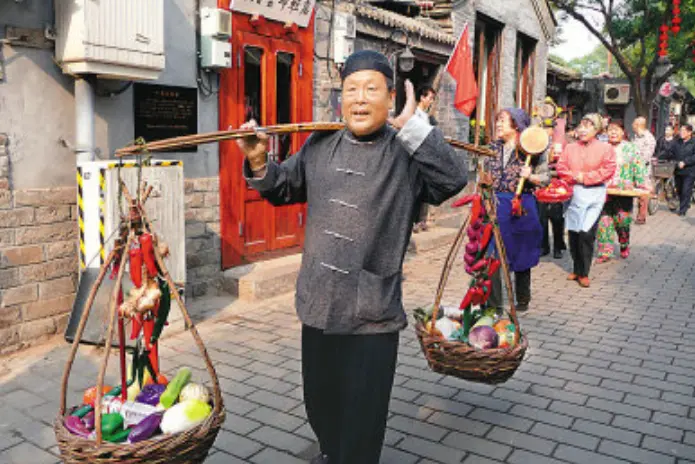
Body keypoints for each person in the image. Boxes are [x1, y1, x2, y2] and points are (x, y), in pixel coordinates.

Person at [237, 50, 467, 464]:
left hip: (371, 311)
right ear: (340, 98)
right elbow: (284, 186)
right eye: (351, 90)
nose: (360, 99)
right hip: (319, 301)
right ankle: (330, 450)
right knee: (320, 401)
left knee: (363, 418)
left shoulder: (406, 151)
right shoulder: (320, 143)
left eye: (371, 89)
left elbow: (453, 179)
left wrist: (414, 128)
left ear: (391, 96)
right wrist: (258, 160)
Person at [484, 108, 548, 312]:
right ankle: (494, 305)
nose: (499, 125)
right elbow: (484, 173)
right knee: (492, 254)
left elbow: (546, 178)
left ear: (517, 125)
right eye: (498, 120)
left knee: (522, 252)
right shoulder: (493, 147)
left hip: (521, 205)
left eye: (503, 121)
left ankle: (522, 297)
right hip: (495, 204)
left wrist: (532, 176)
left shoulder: (531, 148)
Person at [557, 113, 617, 288]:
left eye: (588, 126)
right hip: (574, 193)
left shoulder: (606, 149)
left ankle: (584, 272)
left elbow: (608, 169)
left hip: (594, 194)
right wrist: (575, 176)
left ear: (597, 129)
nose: (582, 130)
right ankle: (576, 267)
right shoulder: (570, 148)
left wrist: (587, 177)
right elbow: (561, 167)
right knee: (574, 232)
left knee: (587, 233)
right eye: (581, 126)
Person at [596, 121, 648, 263]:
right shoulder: (601, 148)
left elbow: (639, 167)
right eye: (610, 130)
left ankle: (624, 243)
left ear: (623, 132)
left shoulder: (631, 148)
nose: (613, 133)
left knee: (622, 220)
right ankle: (605, 252)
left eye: (616, 130)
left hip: (624, 191)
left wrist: (642, 184)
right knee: (604, 221)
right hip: (604, 190)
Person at [538, 117, 567, 259]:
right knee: (541, 217)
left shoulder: (561, 143)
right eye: (545, 127)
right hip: (540, 183)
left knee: (556, 217)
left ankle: (558, 246)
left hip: (556, 182)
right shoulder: (537, 143)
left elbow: (565, 164)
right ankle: (544, 246)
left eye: (550, 128)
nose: (547, 131)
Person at [413, 84, 438, 232]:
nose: (431, 101)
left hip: (426, 157)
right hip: (417, 157)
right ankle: (414, 221)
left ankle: (421, 220)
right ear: (422, 97)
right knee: (415, 189)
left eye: (433, 99)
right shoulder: (415, 114)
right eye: (430, 98)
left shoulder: (426, 116)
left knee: (424, 189)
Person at [632, 116, 656, 224]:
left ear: (638, 125)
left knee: (642, 195)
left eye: (634, 123)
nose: (632, 125)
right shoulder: (635, 137)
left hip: (643, 170)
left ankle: (641, 217)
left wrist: (635, 161)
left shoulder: (649, 138)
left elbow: (646, 157)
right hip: (632, 169)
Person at [669, 124, 695, 216]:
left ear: (689, 132)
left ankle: (682, 210)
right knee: (679, 190)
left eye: (683, 131)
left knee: (686, 190)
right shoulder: (677, 142)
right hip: (678, 170)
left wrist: (685, 162)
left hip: (690, 171)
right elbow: (670, 152)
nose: (681, 133)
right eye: (680, 131)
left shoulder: (693, 142)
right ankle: (685, 203)